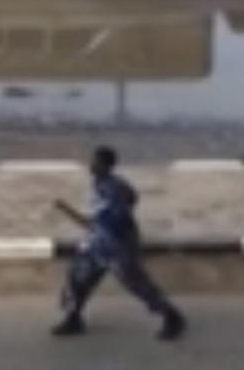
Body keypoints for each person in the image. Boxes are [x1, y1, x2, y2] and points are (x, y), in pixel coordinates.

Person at [51, 146, 186, 341]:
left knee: (137, 284)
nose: (92, 165)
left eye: (96, 162)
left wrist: (121, 242)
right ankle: (73, 318)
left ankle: (172, 317)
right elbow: (98, 219)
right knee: (77, 277)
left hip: (116, 246)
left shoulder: (114, 188)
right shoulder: (100, 185)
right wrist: (67, 210)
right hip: (98, 243)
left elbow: (121, 213)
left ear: (107, 165)